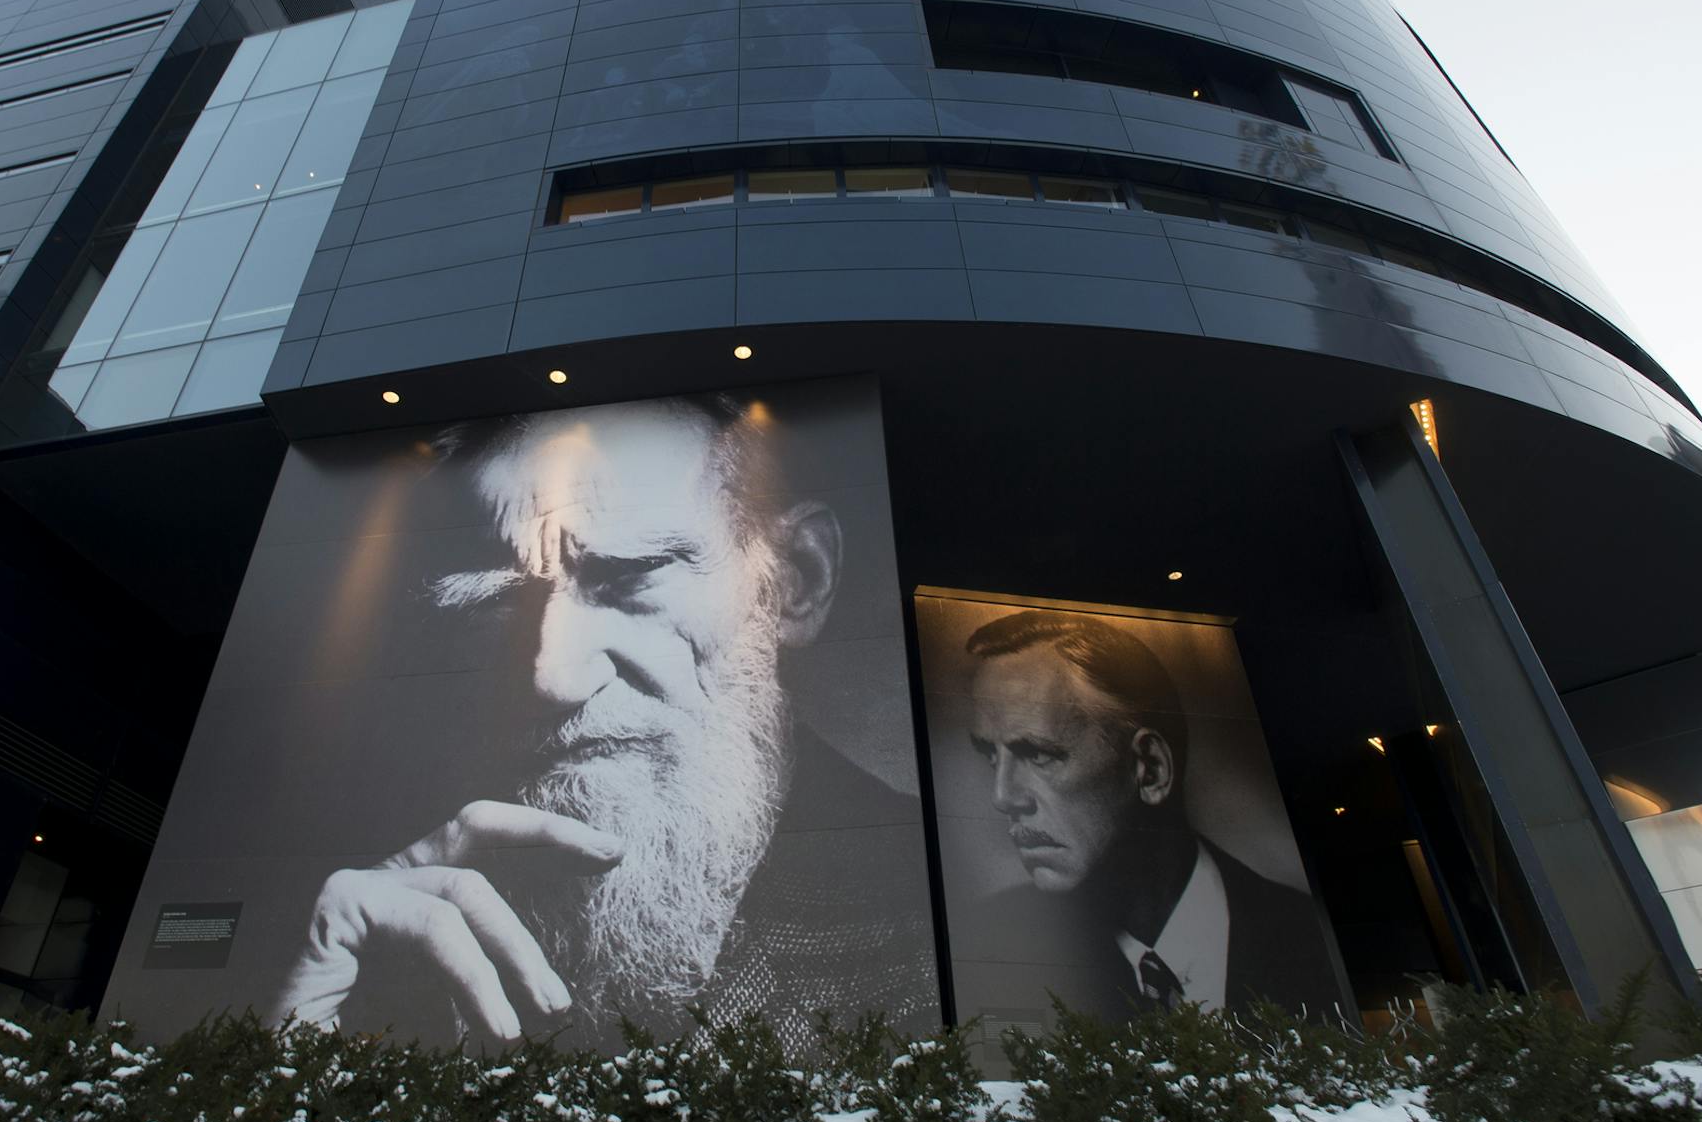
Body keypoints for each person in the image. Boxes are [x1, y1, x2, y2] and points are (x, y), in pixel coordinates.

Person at [271, 395, 936, 1050]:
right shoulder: (387, 942)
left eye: (630, 575)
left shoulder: (928, 925)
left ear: (796, 582)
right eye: (495, 599)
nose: (551, 676)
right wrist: (300, 1057)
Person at [965, 609, 1339, 1018]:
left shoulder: (1311, 938)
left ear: (1150, 768)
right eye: (989, 757)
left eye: (1037, 754)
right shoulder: (981, 941)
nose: (1002, 796)